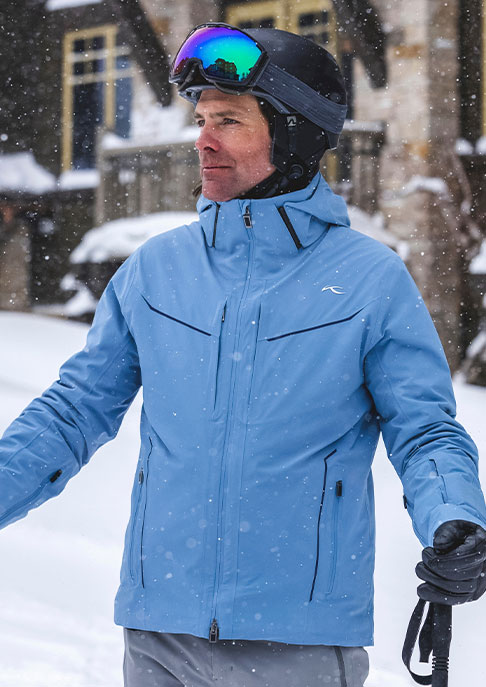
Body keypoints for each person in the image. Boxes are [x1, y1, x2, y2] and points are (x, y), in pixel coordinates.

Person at [1, 22, 486, 687]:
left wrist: (455, 517)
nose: (202, 138)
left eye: (228, 120)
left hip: (298, 642)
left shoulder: (370, 282)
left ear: (293, 131)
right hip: (158, 635)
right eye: (201, 118)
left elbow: (425, 429)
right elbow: (71, 412)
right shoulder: (156, 271)